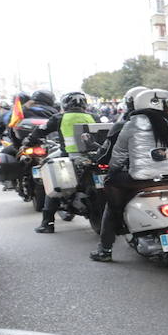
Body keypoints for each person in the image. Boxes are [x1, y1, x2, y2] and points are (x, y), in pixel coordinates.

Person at [89, 88, 168, 260]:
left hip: (141, 181)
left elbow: (118, 155)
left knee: (112, 201)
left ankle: (105, 249)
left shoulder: (130, 125)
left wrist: (112, 172)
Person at [28, 91, 99, 234]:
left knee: (52, 181)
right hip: (94, 155)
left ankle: (47, 223)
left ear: (65, 104)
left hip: (69, 155)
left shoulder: (60, 117)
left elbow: (41, 130)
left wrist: (29, 140)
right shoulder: (94, 117)